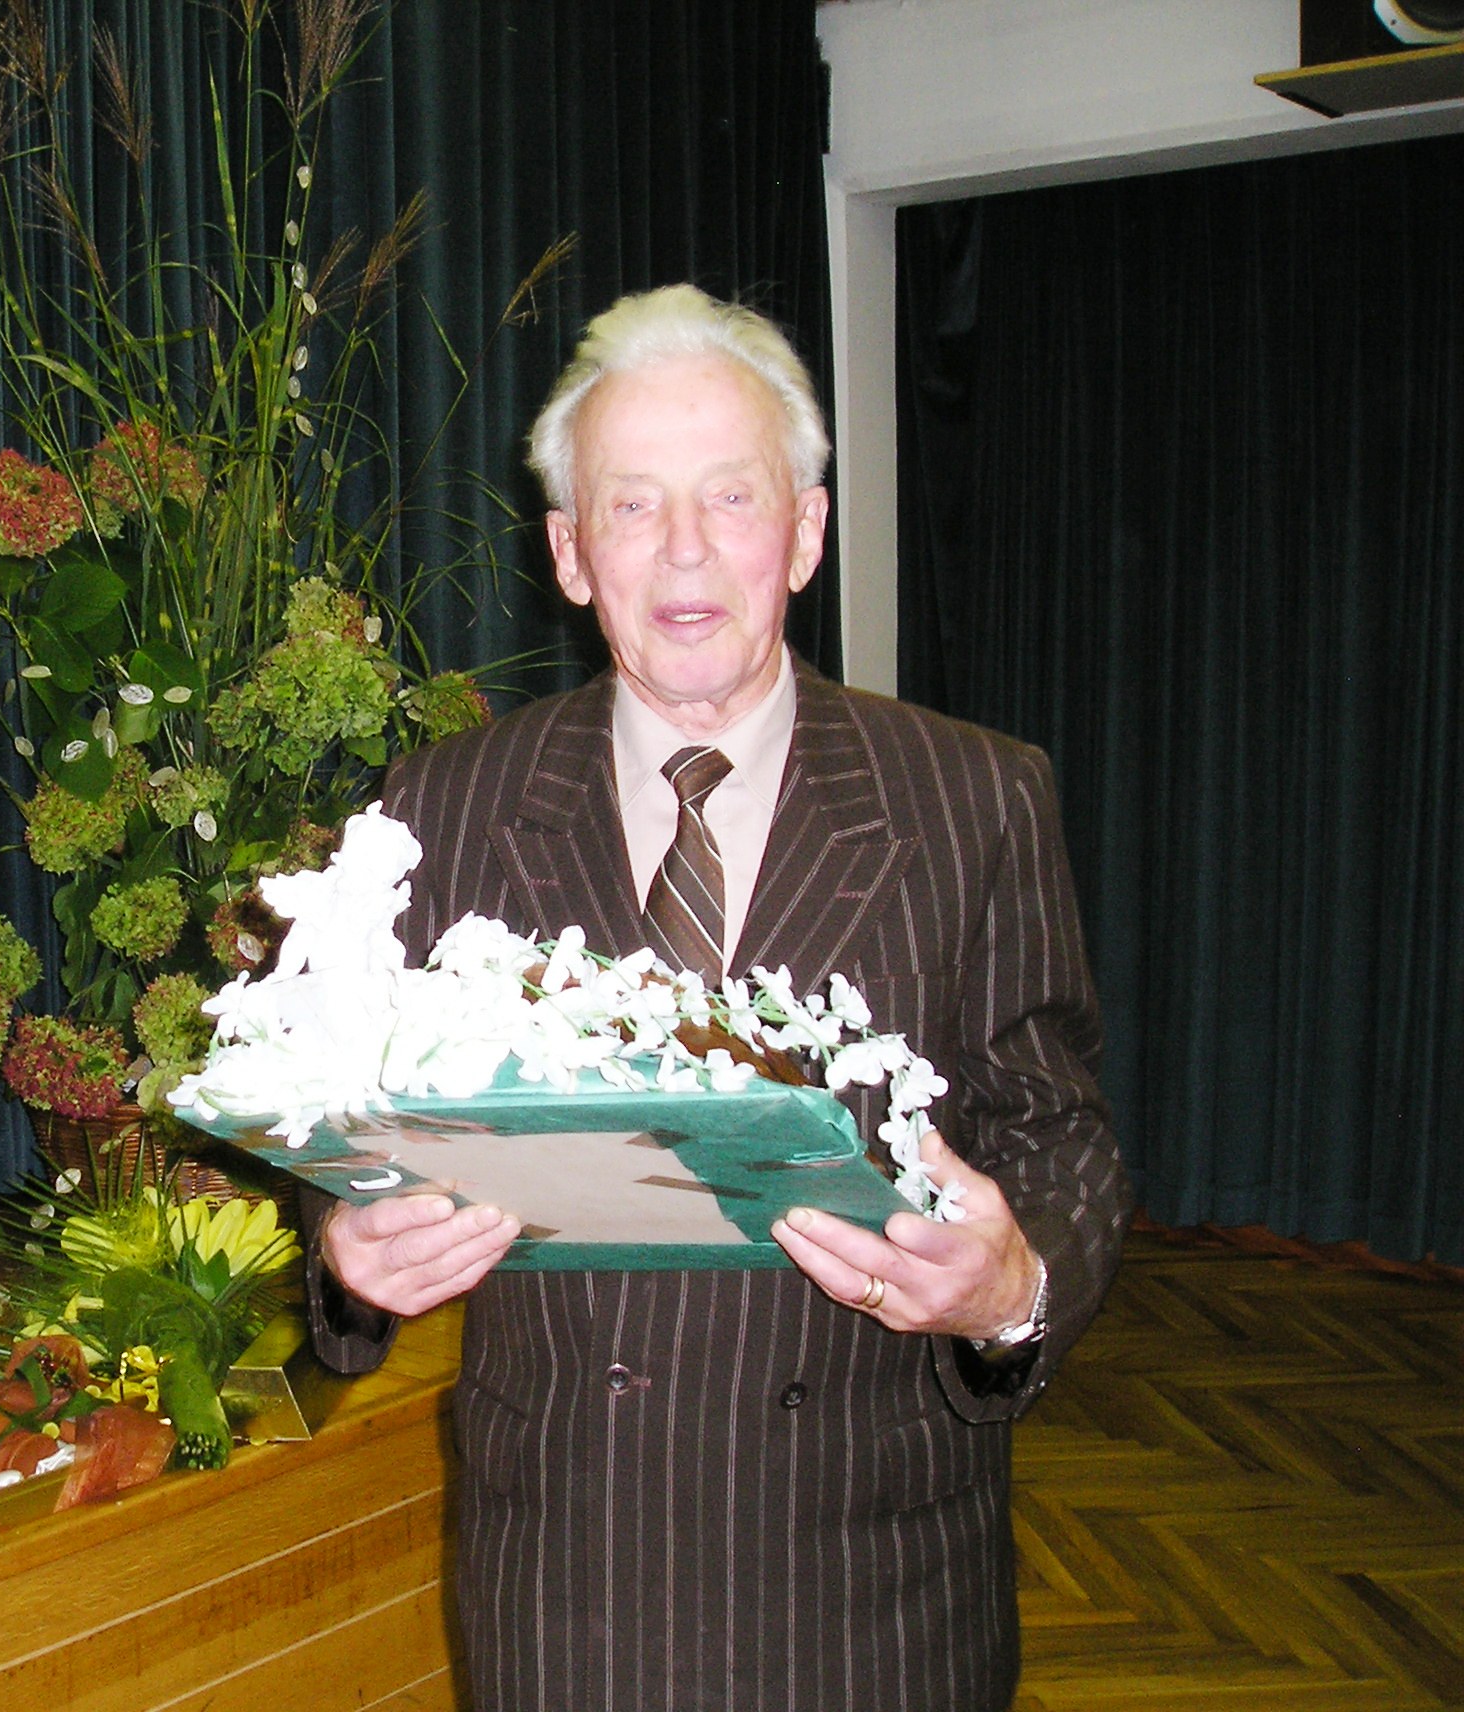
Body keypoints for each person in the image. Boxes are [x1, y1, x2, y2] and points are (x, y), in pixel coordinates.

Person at [306, 284, 1133, 1712]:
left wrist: (1015, 1286)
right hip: (568, 1577)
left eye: (730, 496)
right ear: (572, 554)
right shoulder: (445, 804)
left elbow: (1059, 1140)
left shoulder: (975, 798)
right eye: (631, 504)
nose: (683, 547)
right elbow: (355, 1130)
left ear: (804, 532)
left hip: (873, 1588)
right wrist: (346, 1255)